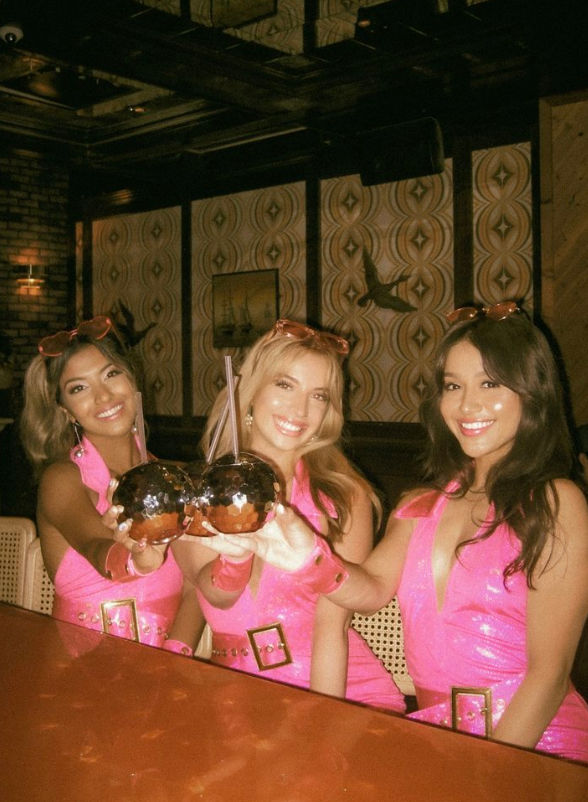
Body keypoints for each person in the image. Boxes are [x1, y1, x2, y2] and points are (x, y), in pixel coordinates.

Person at [204, 302, 588, 762]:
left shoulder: (556, 502)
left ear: (532, 392)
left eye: (490, 383)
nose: (467, 404)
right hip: (435, 738)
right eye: (453, 386)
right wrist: (312, 561)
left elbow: (549, 675)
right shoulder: (419, 505)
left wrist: (492, 772)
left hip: (538, 744)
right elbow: (370, 591)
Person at [174, 318, 405, 712]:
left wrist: (322, 728)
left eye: (319, 396)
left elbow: (332, 628)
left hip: (339, 696)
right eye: (285, 385)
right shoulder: (198, 490)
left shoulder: (345, 496)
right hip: (236, 699)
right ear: (249, 394)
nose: (301, 410)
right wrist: (236, 553)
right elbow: (212, 592)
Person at [20, 315, 204, 657]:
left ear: (132, 379)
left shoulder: (173, 480)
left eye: (111, 374)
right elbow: (95, 547)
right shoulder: (63, 478)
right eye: (79, 388)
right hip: (80, 674)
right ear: (66, 411)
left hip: (163, 673)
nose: (104, 396)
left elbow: (195, 588)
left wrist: (176, 656)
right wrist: (136, 561)